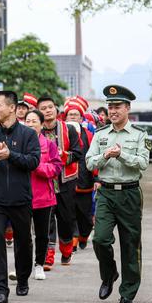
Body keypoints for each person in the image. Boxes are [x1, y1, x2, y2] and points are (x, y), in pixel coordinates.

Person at [86, 85, 149, 303]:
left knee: (130, 244)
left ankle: (128, 291)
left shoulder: (139, 134)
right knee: (100, 239)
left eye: (117, 106)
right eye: (110, 106)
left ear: (127, 108)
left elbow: (143, 164)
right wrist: (105, 155)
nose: (113, 111)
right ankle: (109, 273)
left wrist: (122, 154)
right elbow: (89, 162)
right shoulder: (101, 134)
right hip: (106, 192)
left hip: (130, 193)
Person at [0, 90, 40, 303]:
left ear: (12, 108)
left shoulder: (28, 135)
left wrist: (10, 155)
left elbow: (33, 162)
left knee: (23, 242)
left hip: (21, 198)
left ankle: (22, 278)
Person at [37, 96, 82, 268]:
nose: (47, 111)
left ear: (56, 110)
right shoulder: (35, 131)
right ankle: (48, 256)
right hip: (43, 180)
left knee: (66, 218)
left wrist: (62, 156)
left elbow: (78, 153)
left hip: (65, 181)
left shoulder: (69, 129)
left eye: (50, 107)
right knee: (46, 219)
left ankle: (66, 250)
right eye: (43, 108)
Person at [24, 110, 62, 281]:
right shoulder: (18, 144)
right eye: (28, 121)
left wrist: (37, 167)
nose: (31, 124)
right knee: (23, 235)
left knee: (41, 234)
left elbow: (56, 168)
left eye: (34, 121)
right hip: (22, 196)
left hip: (43, 197)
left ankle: (39, 264)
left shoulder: (49, 144)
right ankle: (23, 266)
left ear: (41, 124)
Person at [65, 98, 98, 250]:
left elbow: (95, 156)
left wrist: (97, 177)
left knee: (85, 216)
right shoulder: (62, 133)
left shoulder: (89, 134)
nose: (72, 117)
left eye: (76, 114)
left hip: (85, 181)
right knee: (69, 214)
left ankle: (84, 235)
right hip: (66, 181)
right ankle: (73, 240)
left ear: (81, 117)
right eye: (70, 114)